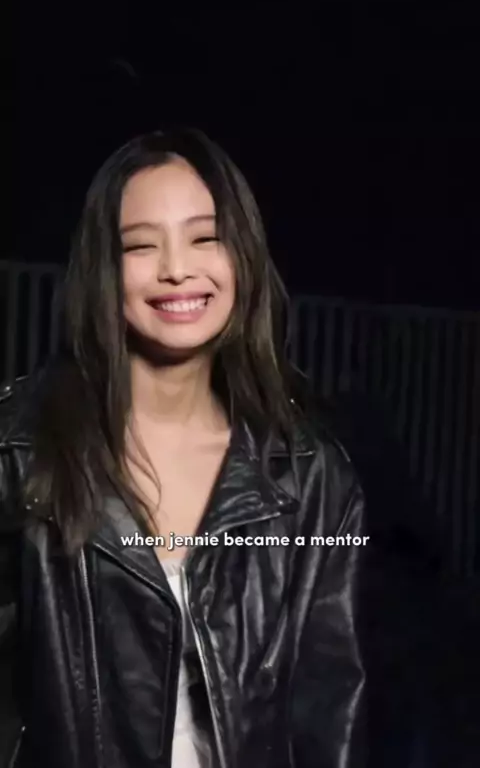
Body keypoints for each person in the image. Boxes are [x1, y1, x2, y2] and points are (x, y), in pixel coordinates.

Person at [0, 128, 367, 768]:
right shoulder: (18, 452)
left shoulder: (310, 476)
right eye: (141, 245)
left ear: (242, 256)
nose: (176, 268)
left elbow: (331, 712)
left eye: (205, 238)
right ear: (104, 270)